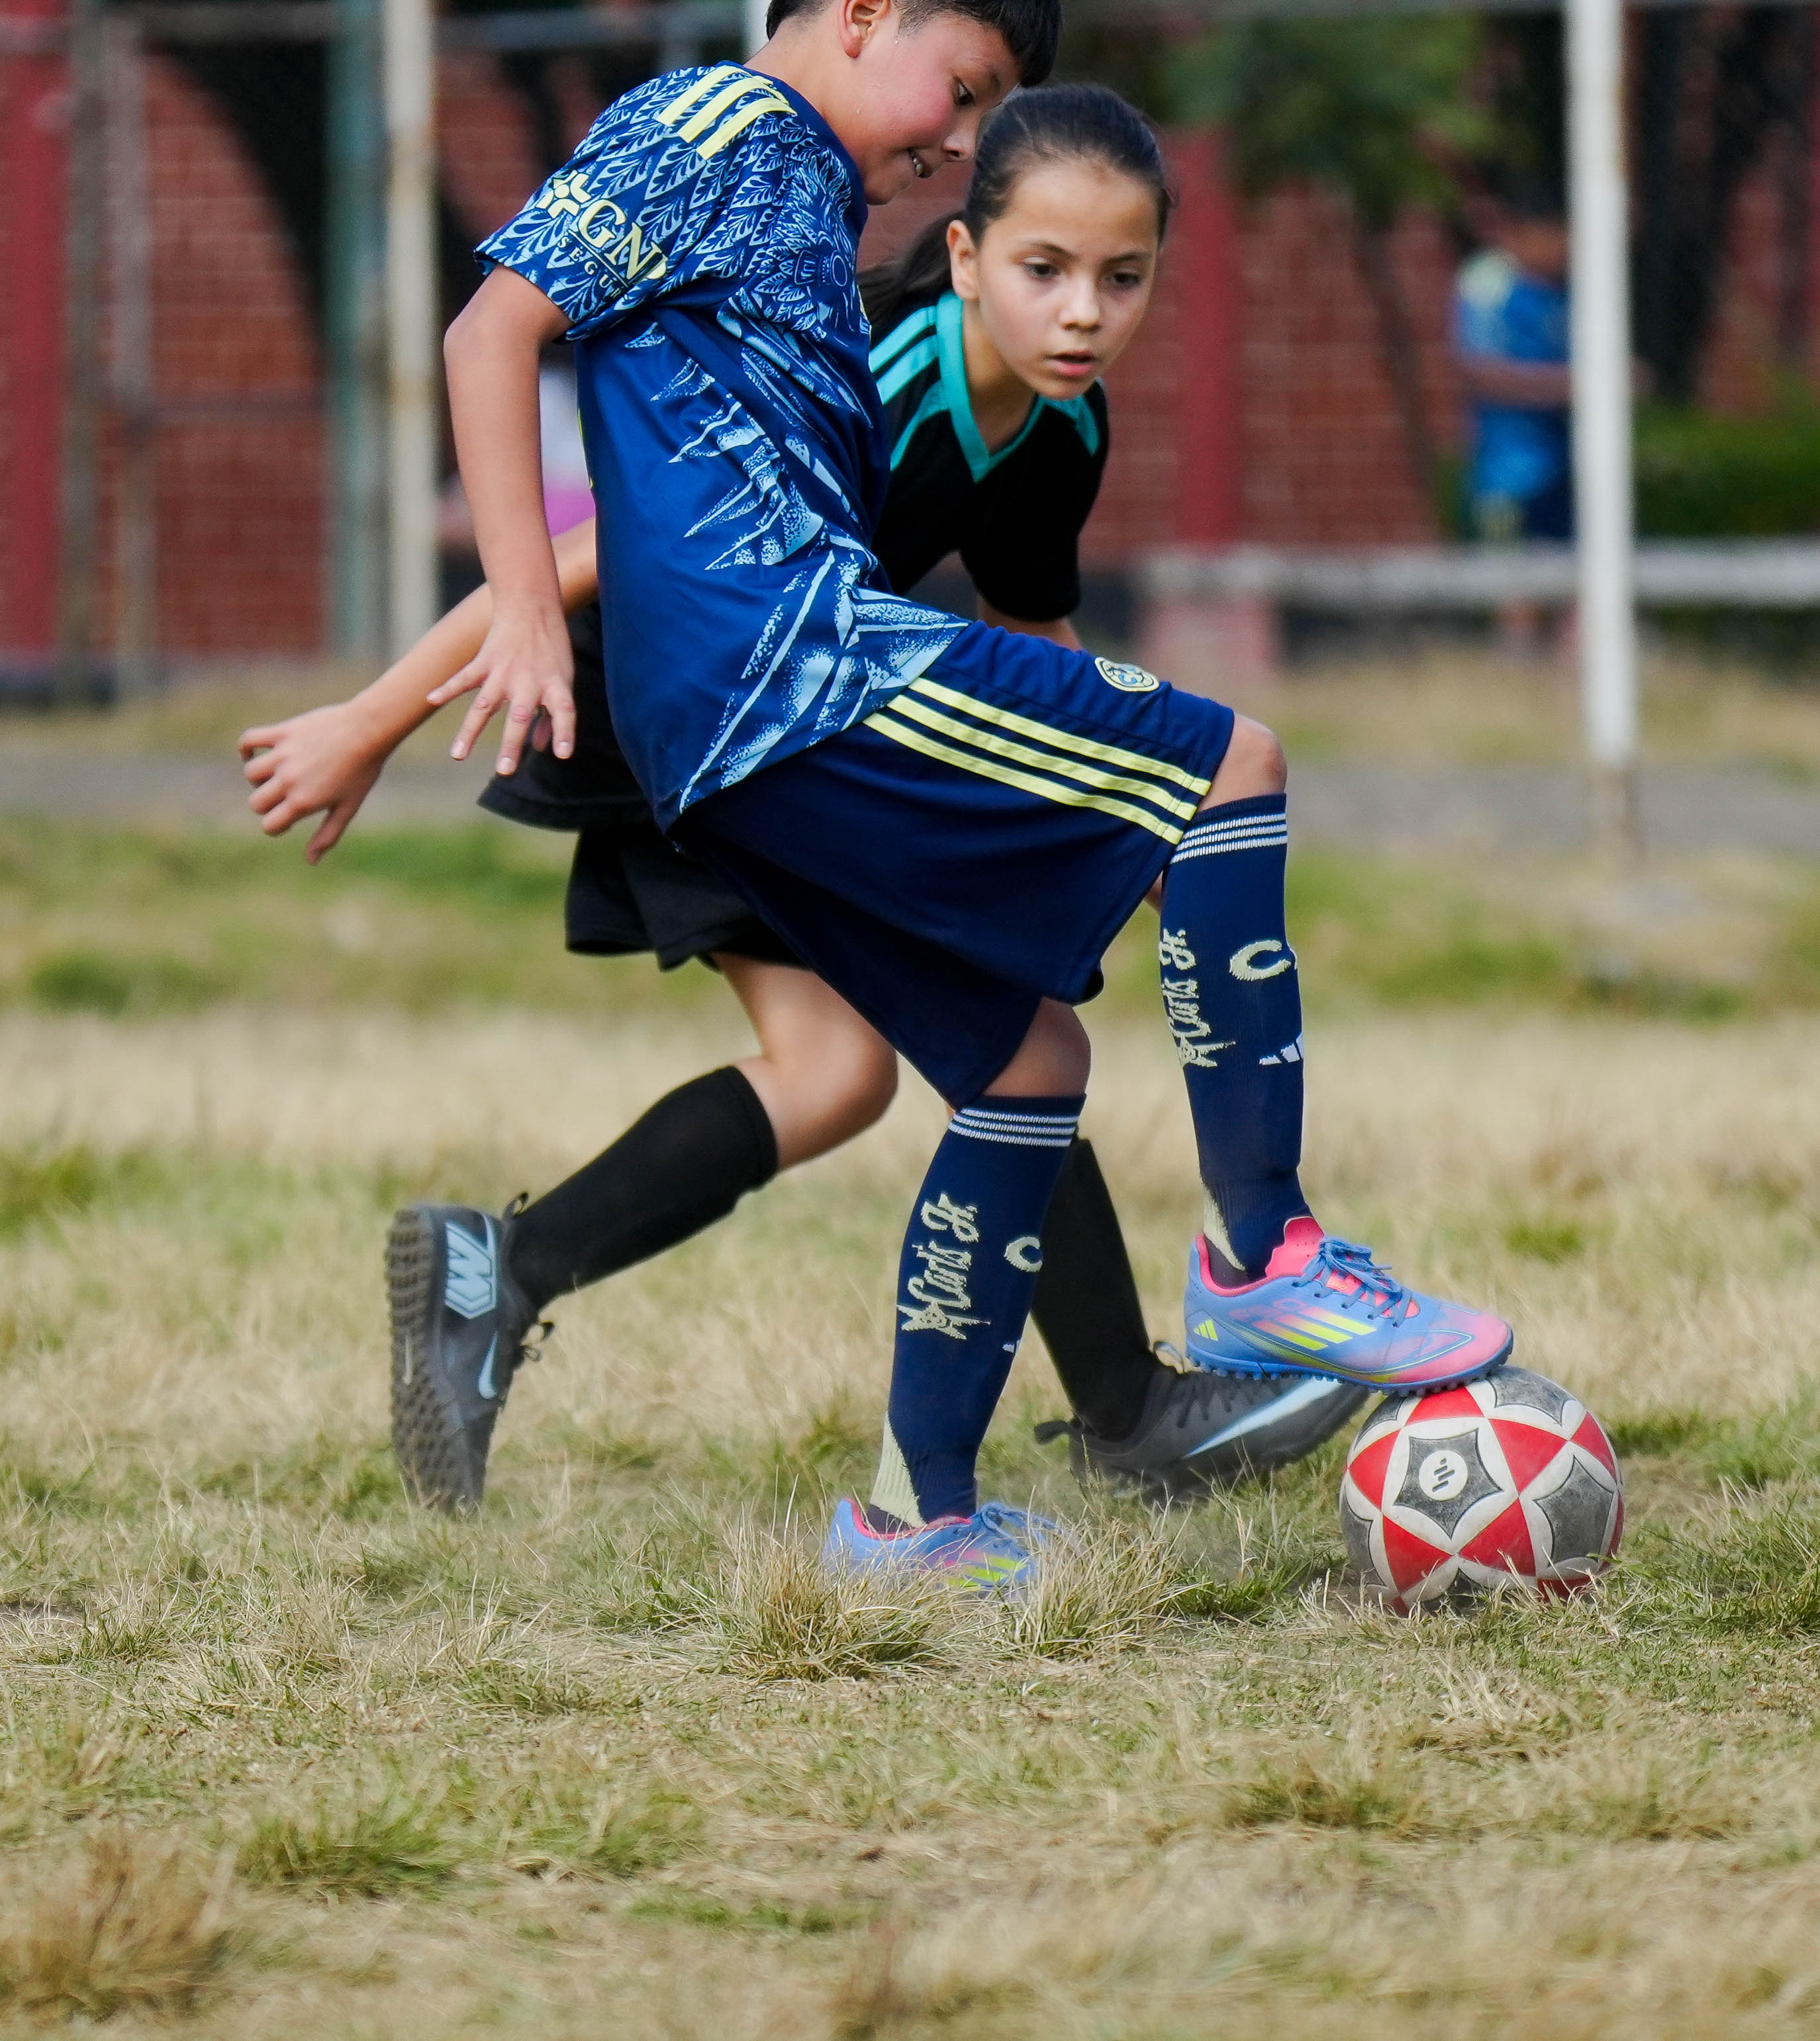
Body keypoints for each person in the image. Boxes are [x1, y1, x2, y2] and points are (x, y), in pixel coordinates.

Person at [434, 0, 1513, 1589]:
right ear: (864, 15)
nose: (963, 137)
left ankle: (909, 1518)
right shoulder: (725, 118)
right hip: (790, 670)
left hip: (744, 725)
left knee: (1023, 1065)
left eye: (1117, 273)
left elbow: (1012, 616)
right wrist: (498, 608)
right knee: (1230, 759)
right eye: (967, 96)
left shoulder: (803, 204)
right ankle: (1267, 1256)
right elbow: (494, 329)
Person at [241, 82, 1366, 1509]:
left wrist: (1143, 808)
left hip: (803, 718)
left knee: (841, 1075)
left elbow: (1029, 631)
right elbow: (593, 554)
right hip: (675, 709)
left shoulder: (1062, 427)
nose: (1083, 310)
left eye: (1119, 278)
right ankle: (1128, 1406)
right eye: (1045, 269)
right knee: (993, 1021)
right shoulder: (885, 377)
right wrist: (374, 714)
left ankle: (498, 1274)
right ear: (965, 255)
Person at [1454, 187, 1572, 650]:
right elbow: (1481, 373)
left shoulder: (1566, 286)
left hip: (1565, 461)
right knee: (1514, 586)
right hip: (1508, 468)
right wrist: (1578, 384)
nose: (1561, 250)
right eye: (1553, 237)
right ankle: (1516, 668)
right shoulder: (1488, 285)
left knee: (1573, 580)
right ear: (1521, 236)